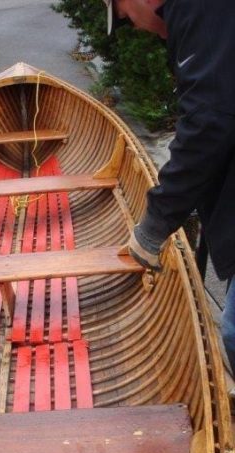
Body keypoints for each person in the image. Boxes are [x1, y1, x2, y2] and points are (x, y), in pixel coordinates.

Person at [101, 0, 235, 377]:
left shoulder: (203, 12)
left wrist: (156, 223)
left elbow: (208, 123)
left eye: (125, 17)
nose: (135, 26)